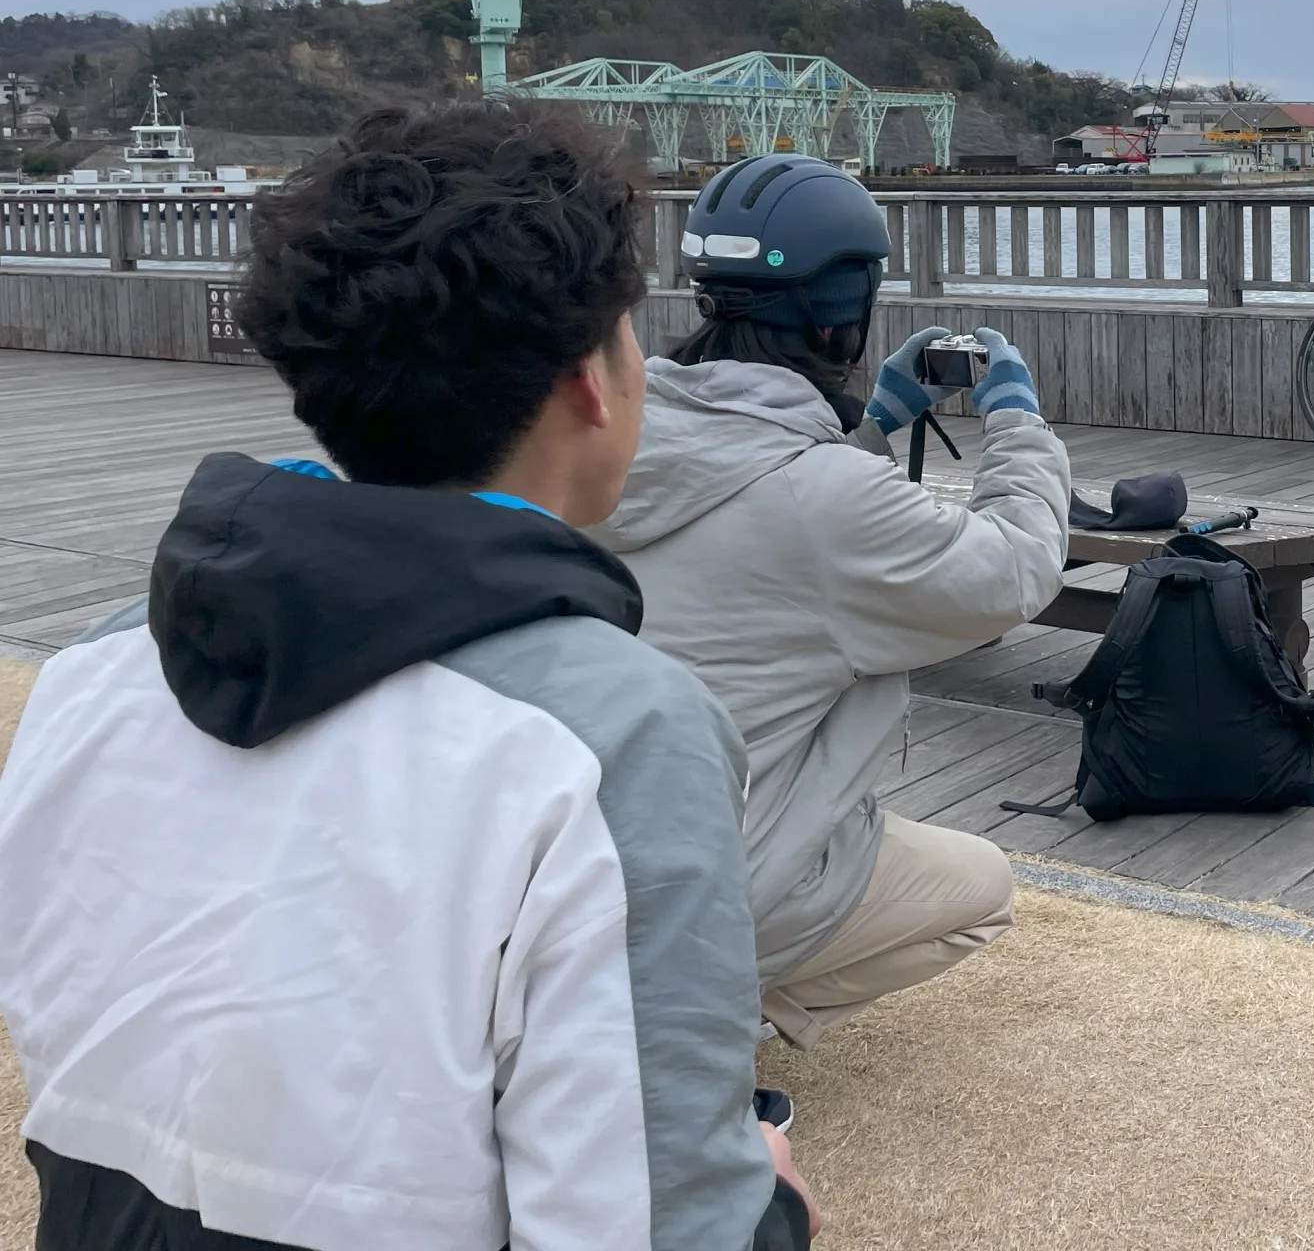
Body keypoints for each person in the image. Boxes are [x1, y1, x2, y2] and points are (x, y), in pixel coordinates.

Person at [0, 103, 819, 1250]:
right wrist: (766, 1197)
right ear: (590, 377)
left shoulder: (94, 664)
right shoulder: (611, 737)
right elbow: (649, 1227)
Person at [593, 154, 1070, 1048]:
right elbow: (1012, 571)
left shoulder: (609, 429)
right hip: (713, 888)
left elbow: (755, 485)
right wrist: (1018, 424)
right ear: (846, 308)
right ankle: (694, 1023)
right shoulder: (831, 502)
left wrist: (869, 423)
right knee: (979, 893)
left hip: (572, 868)